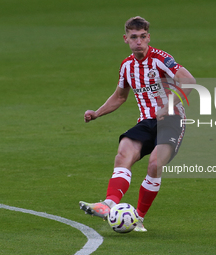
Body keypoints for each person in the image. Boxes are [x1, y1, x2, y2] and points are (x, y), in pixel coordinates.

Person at [80, 16, 195, 232]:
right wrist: (96, 113)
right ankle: (108, 204)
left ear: (148, 37)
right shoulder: (127, 66)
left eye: (143, 37)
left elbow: (189, 80)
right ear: (126, 39)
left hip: (171, 120)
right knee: (123, 153)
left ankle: (138, 218)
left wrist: (168, 106)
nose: (139, 41)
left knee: (154, 164)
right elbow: (120, 97)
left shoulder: (161, 59)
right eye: (134, 37)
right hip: (146, 122)